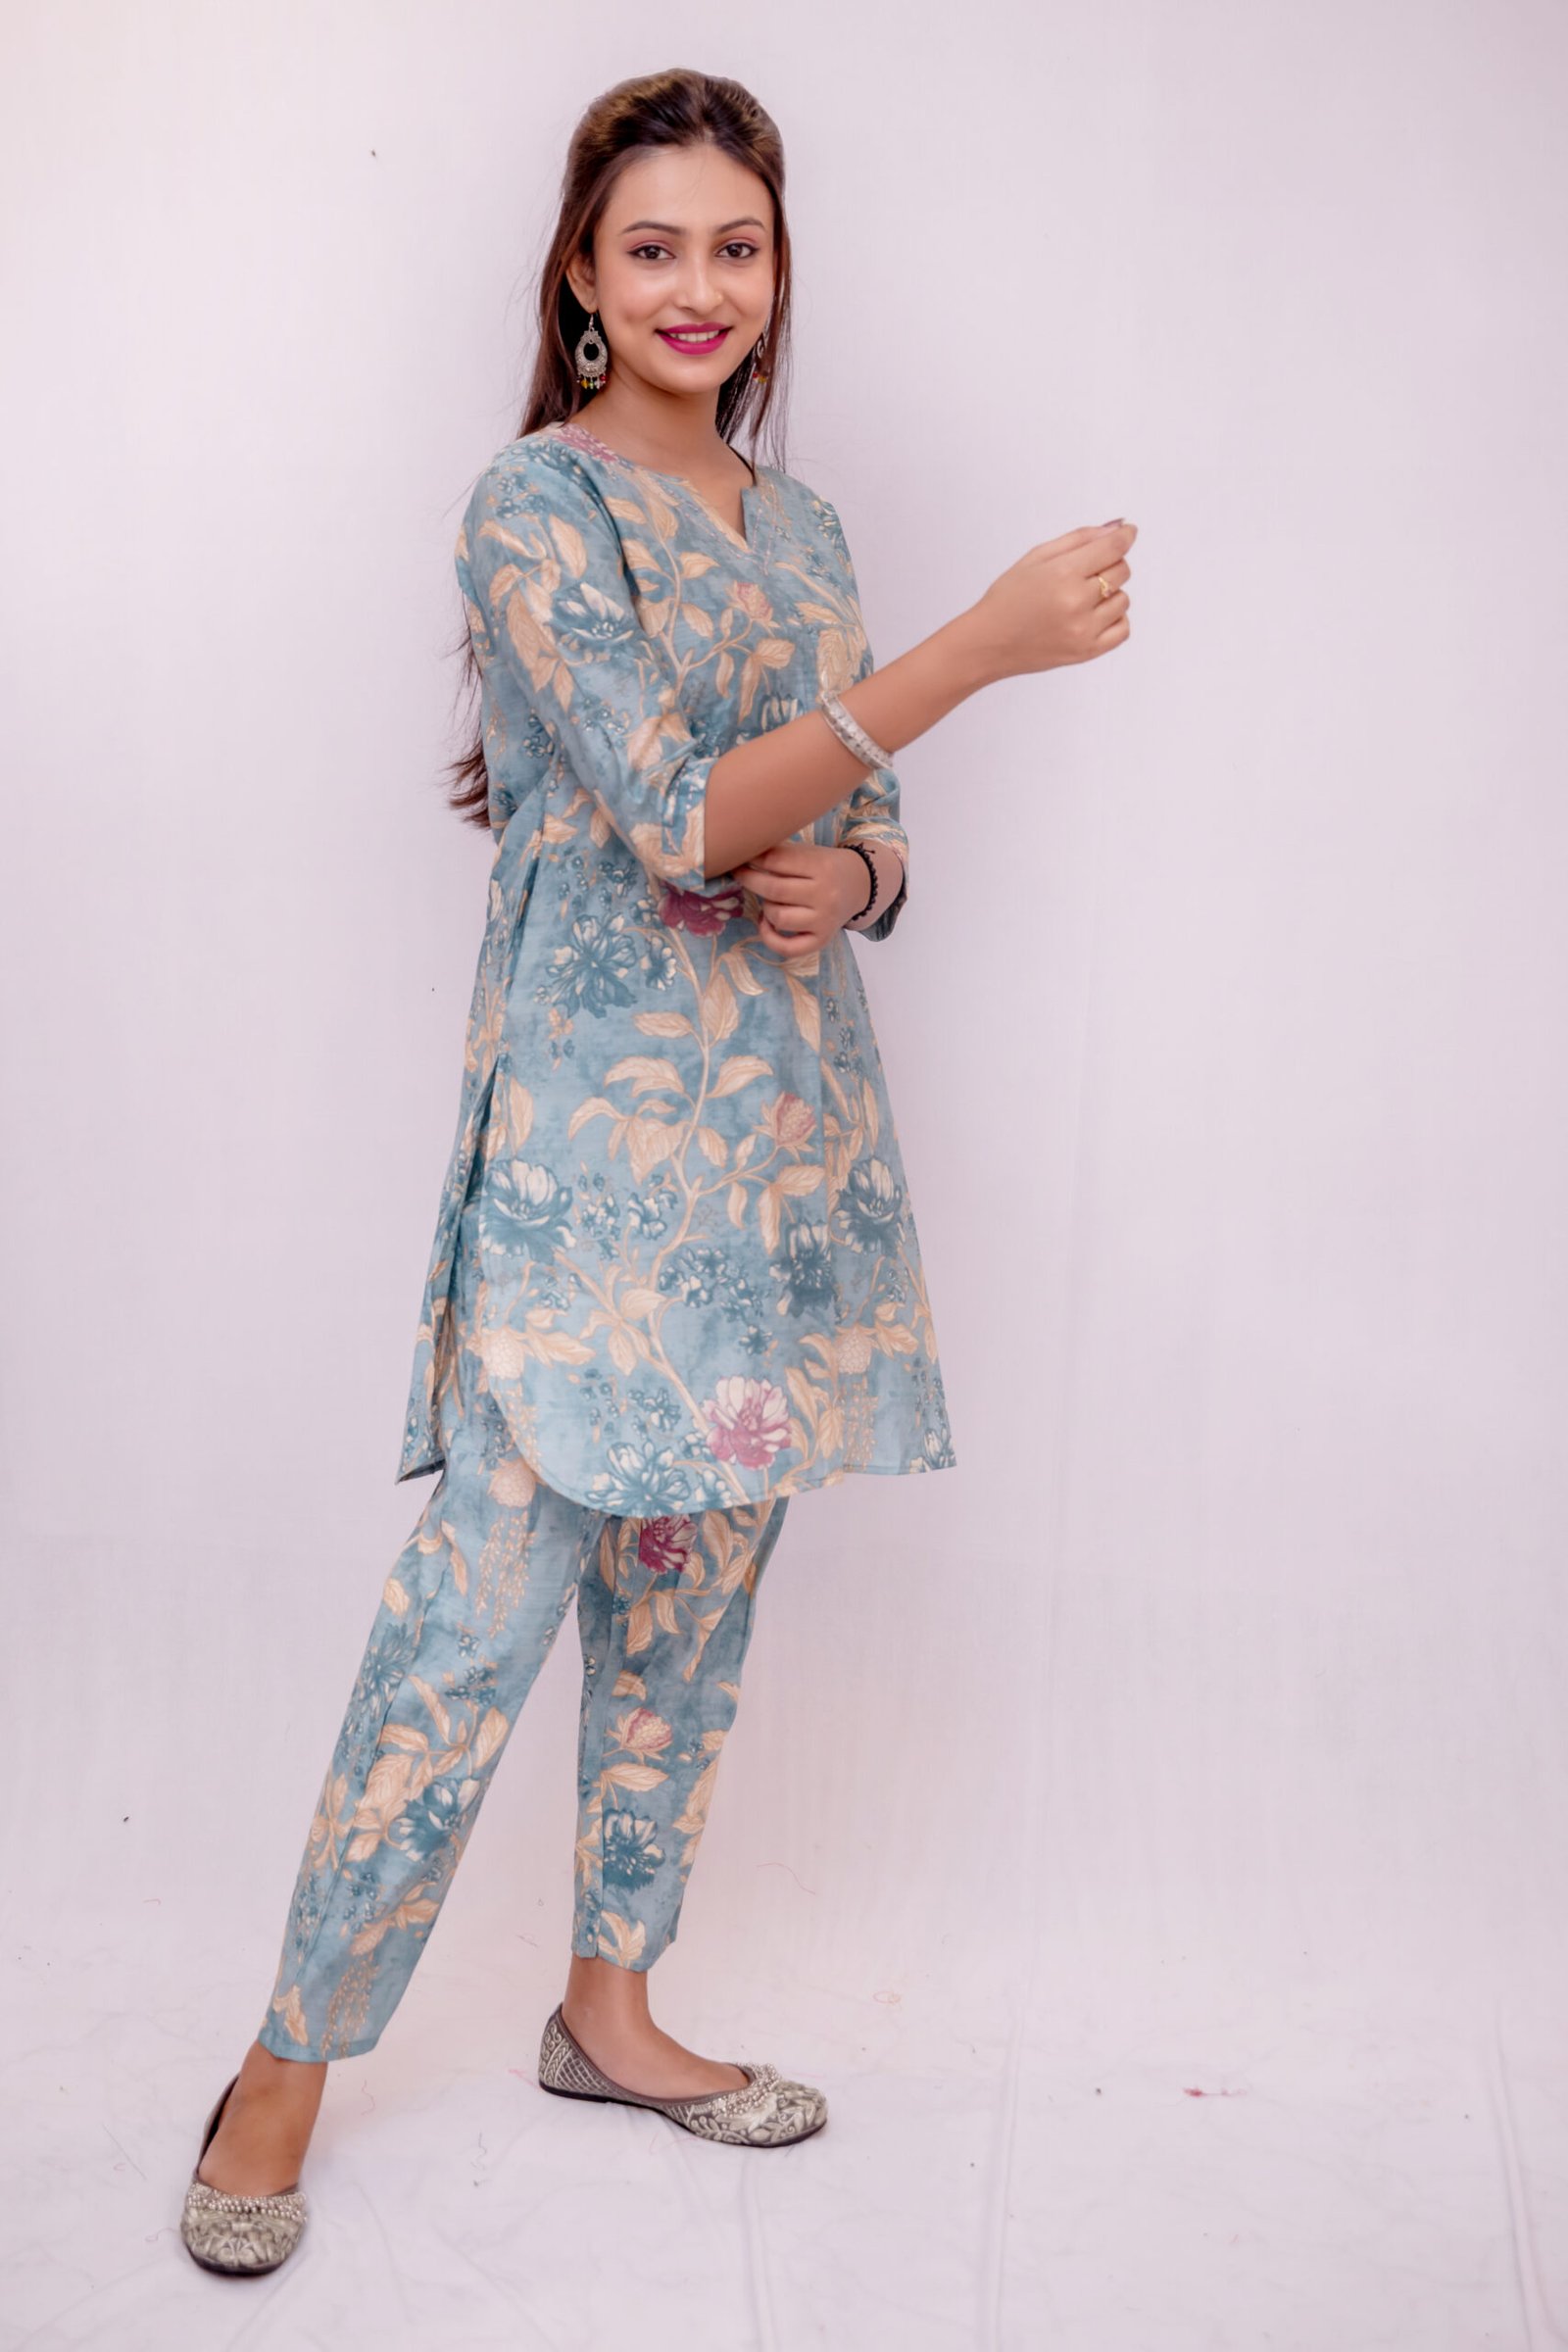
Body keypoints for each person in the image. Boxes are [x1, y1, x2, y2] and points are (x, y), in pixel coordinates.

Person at [176, 66, 1136, 2277]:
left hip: (779, 1155)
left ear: (777, 269)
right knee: (467, 1633)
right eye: (653, 247)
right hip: (585, 1174)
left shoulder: (804, 532)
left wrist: (863, 879)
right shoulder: (532, 504)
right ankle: (284, 2063)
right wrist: (983, 652)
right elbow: (675, 810)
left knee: (690, 1620)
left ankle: (609, 2008)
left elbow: (840, 829)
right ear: (582, 283)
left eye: (737, 245)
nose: (699, 285)